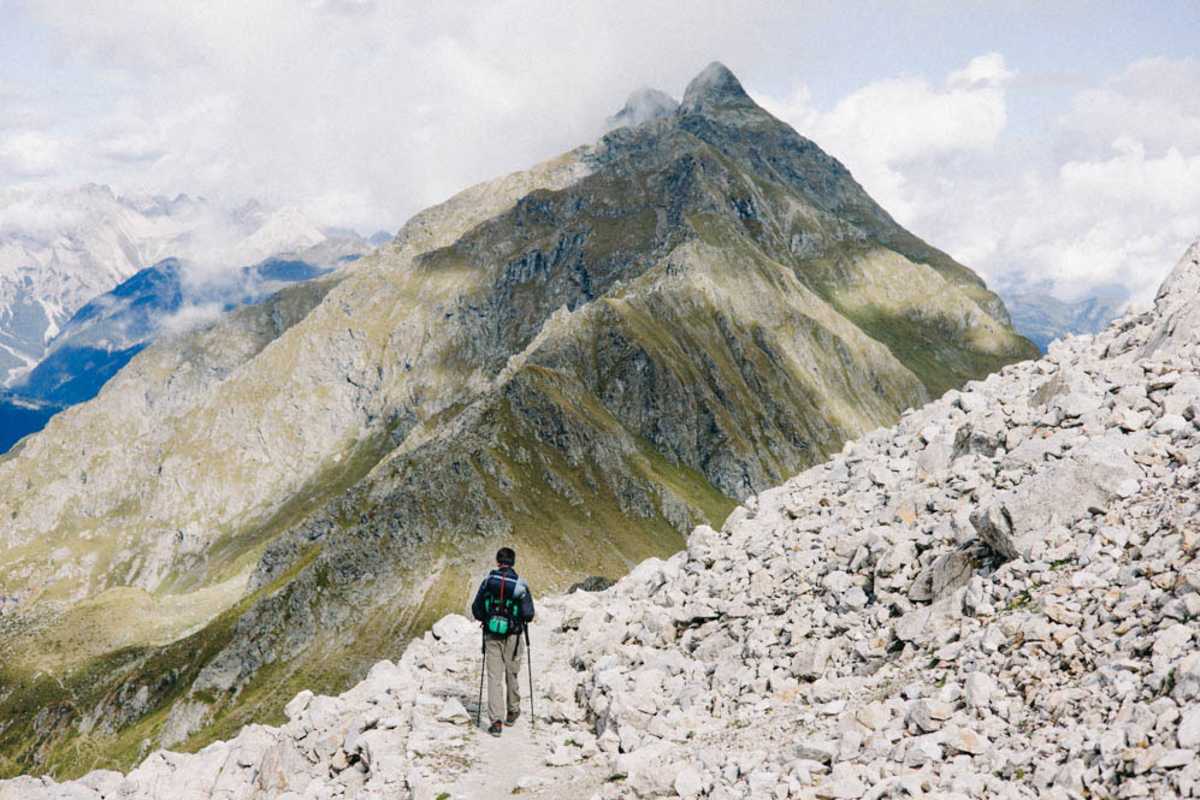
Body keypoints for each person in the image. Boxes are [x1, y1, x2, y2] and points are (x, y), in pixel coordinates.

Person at [471, 546, 535, 736]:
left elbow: (476, 609)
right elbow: (529, 614)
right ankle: (513, 712)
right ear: (513, 562)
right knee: (511, 673)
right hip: (513, 636)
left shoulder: (488, 581)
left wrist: (487, 619)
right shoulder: (520, 585)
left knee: (494, 677)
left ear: (498, 562)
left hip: (491, 634)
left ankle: (496, 722)